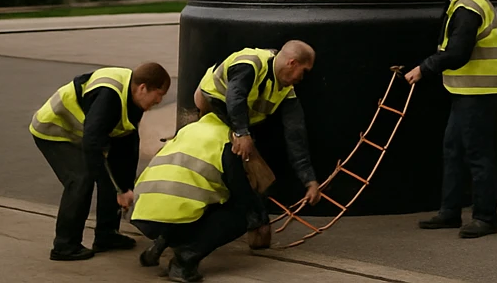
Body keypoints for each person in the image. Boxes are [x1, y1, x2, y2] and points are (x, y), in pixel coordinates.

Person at [405, 0, 497, 238]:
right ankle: (450, 212)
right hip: (467, 91)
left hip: (478, 92)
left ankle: (486, 217)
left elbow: (458, 52)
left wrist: (424, 68)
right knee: (454, 150)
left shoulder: (467, 6)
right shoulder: (461, 1)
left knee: (477, 153)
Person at [29, 61, 171, 261]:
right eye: (159, 94)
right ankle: (64, 246)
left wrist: (124, 187)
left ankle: (106, 235)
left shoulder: (133, 100)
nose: (159, 100)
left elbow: (126, 149)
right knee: (81, 179)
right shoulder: (109, 96)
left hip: (82, 134)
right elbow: (92, 145)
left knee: (110, 172)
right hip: (55, 130)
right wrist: (119, 191)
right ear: (142, 88)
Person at [132, 111, 281, 282]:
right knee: (241, 214)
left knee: (193, 201)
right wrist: (260, 215)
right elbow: (240, 192)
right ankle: (184, 261)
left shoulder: (189, 130)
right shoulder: (227, 139)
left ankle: (160, 243)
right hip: (171, 213)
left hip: (142, 212)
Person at [194, 40, 320, 208]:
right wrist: (242, 133)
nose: (302, 78)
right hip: (210, 105)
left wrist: (309, 180)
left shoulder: (286, 91)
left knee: (258, 177)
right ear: (292, 63)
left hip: (236, 123)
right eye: (303, 71)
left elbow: (295, 134)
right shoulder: (251, 62)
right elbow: (236, 96)